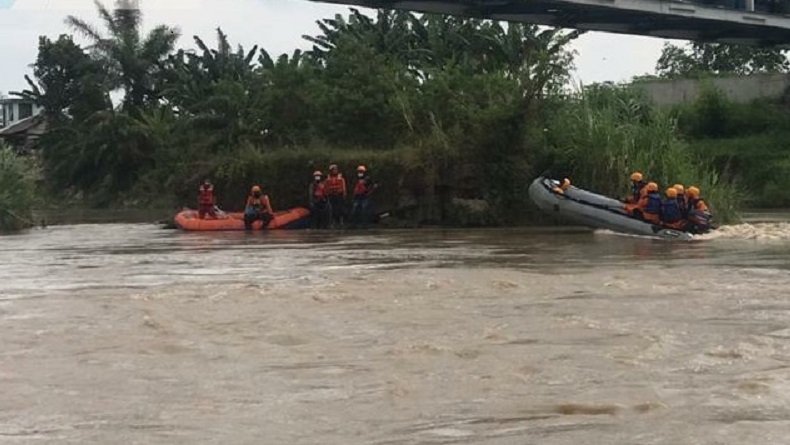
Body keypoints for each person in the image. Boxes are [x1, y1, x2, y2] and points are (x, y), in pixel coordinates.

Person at [324, 164, 347, 228]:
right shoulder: (328, 179)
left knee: (340, 209)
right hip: (331, 196)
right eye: (333, 170)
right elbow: (325, 188)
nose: (335, 171)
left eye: (336, 169)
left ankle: (341, 222)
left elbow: (344, 187)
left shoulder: (341, 179)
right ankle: (333, 222)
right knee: (332, 210)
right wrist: (326, 195)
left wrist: (344, 194)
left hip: (339, 195)